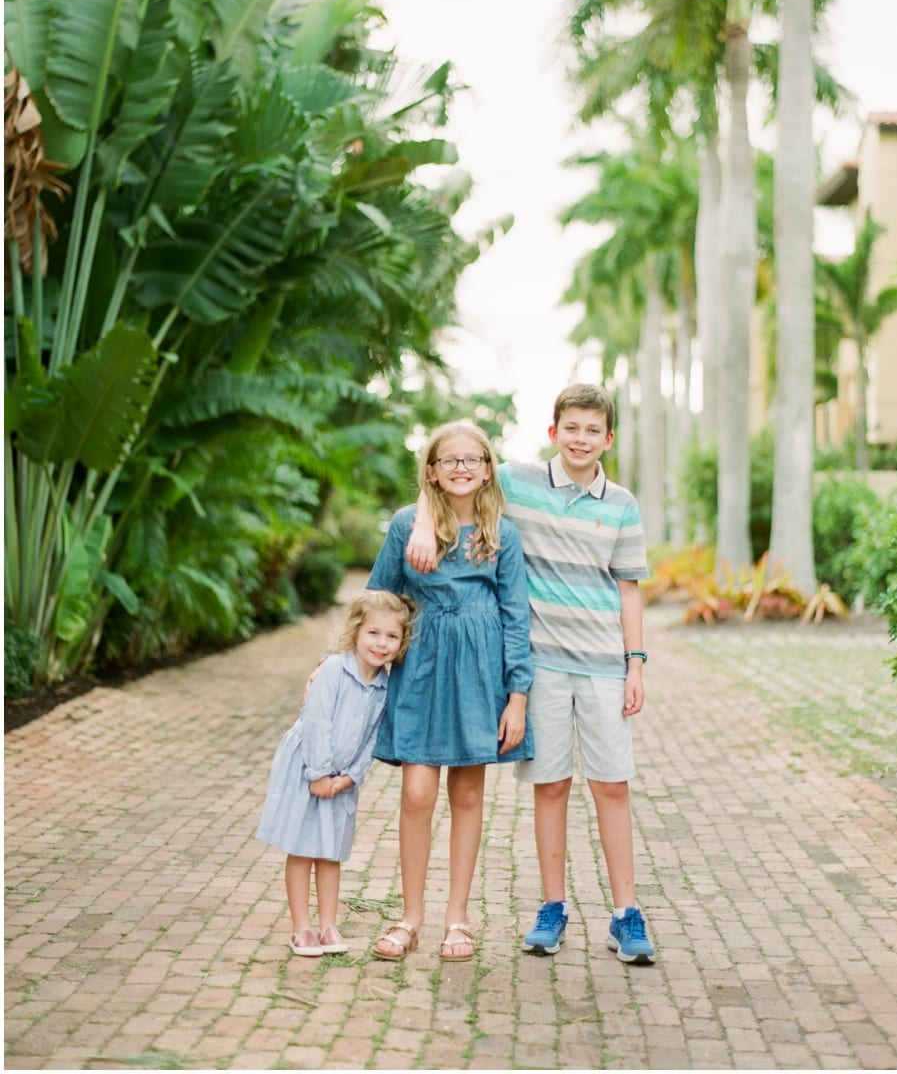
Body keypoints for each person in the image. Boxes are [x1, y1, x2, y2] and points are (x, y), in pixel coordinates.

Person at [407, 384, 655, 965]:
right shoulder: (517, 482)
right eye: (571, 427)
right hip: (539, 666)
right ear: (554, 431)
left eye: (593, 431)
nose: (581, 439)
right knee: (552, 786)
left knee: (611, 786)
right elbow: (445, 472)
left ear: (608, 440)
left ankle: (626, 914)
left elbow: (629, 589)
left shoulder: (621, 503)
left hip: (601, 665)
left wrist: (635, 663)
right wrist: (421, 523)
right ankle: (553, 906)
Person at [367, 420, 534, 963]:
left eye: (473, 459)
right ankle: (410, 915)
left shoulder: (501, 534)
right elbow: (378, 600)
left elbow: (515, 617)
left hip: (479, 676)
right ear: (432, 472)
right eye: (450, 460)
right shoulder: (404, 528)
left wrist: (518, 696)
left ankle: (457, 917)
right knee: (417, 794)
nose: (462, 468)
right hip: (422, 669)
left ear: (488, 469)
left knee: (467, 796)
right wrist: (347, 665)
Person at [256, 589, 415, 957]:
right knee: (301, 848)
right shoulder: (333, 670)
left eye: (392, 637)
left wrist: (350, 777)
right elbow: (316, 723)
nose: (381, 643)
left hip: (342, 779)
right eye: (374, 633)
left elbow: (374, 736)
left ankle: (328, 925)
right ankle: (301, 929)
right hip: (307, 770)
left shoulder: (383, 685)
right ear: (357, 631)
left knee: (330, 852)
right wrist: (318, 774)